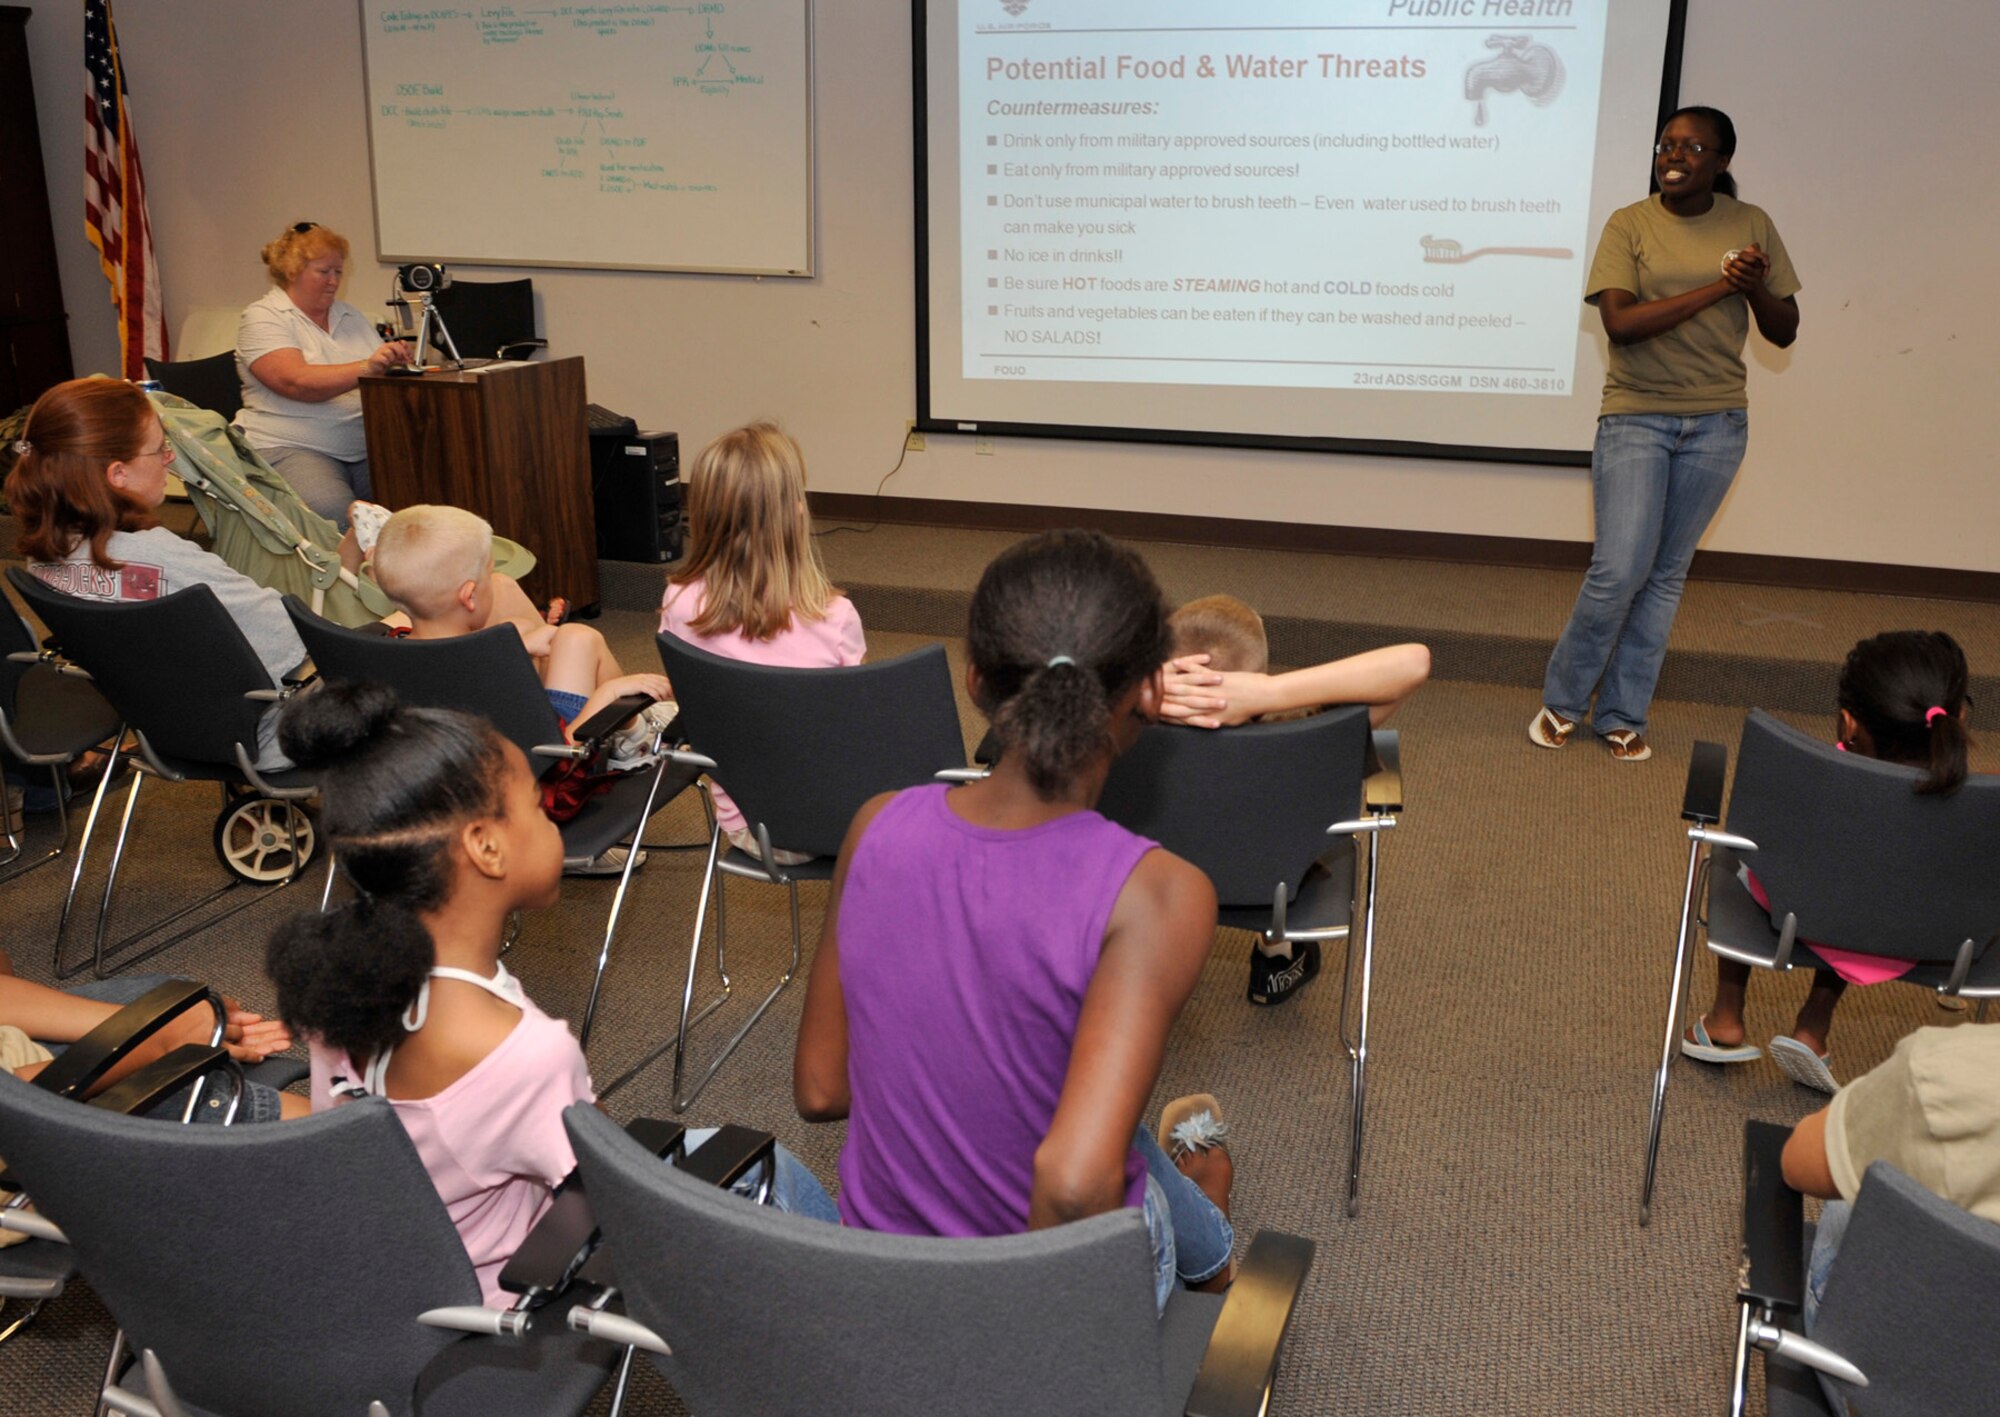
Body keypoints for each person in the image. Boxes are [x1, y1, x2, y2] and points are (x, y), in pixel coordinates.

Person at [266, 682, 835, 1309]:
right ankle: (873, 1310)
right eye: (537, 807)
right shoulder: (524, 1054)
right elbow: (613, 1201)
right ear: (487, 847)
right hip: (498, 1299)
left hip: (394, 1267)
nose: (550, 820)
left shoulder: (337, 976)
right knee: (766, 1166)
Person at [793, 529, 1236, 1311]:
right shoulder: (1159, 891)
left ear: (974, 681)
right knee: (1116, 1143)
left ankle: (1207, 1229)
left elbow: (823, 1087)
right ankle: (1209, 1236)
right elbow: (1070, 1186)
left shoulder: (875, 824)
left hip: (879, 1274)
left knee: (1080, 1099)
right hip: (1028, 1306)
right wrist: (1014, 1349)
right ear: (1150, 691)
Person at [1532, 106, 1801, 763]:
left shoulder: (1751, 223)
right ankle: (1564, 701)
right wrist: (1719, 287)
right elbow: (1621, 324)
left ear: (1722, 162)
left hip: (1718, 422)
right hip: (1635, 417)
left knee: (1665, 575)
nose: (1674, 156)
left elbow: (1784, 328)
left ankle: (1623, 714)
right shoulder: (1631, 223)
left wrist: (1756, 286)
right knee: (1619, 568)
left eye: (1693, 146)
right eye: (1667, 145)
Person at [1682, 631, 1973, 1093]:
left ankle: (1725, 1018)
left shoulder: (1805, 781)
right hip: (1930, 940)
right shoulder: (1982, 803)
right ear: (1957, 718)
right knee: (1862, 881)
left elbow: (1762, 851)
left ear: (1847, 724)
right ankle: (1813, 1029)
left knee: (1736, 850)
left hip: (1808, 922)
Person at [7, 376, 309, 769]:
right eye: (160, 448)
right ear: (118, 474)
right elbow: (295, 640)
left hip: (158, 729)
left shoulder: (42, 559)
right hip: (267, 734)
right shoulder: (168, 559)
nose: (169, 457)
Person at [659, 422, 865, 859]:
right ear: (795, 512)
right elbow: (852, 730)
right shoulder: (835, 617)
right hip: (837, 826)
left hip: (745, 825)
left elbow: (691, 706)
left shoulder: (678, 602)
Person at [1780, 1021, 2000, 1414]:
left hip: (1885, 1375)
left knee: (1865, 1175)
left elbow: (1797, 1162)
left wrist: (1873, 1098)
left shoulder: (1950, 1067)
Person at [371, 504, 673, 753]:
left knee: (531, 629)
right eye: (489, 573)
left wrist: (520, 644)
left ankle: (634, 727)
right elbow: (553, 760)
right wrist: (610, 693)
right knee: (581, 637)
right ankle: (634, 734)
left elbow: (459, 656)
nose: (495, 578)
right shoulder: (483, 686)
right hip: (552, 763)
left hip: (504, 736)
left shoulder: (395, 651)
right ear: (469, 596)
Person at [234, 221, 411, 525]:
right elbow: (297, 382)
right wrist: (368, 366)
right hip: (292, 447)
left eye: (338, 272)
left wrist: (394, 363)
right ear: (293, 271)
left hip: (359, 447)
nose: (333, 281)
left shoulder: (350, 315)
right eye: (323, 272)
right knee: (337, 518)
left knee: (415, 503)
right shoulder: (263, 318)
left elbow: (376, 375)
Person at [1161, 593, 1430, 727]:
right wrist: (1269, 692)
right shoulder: (1309, 733)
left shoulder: (1123, 733)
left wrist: (1144, 687)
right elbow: (1414, 662)